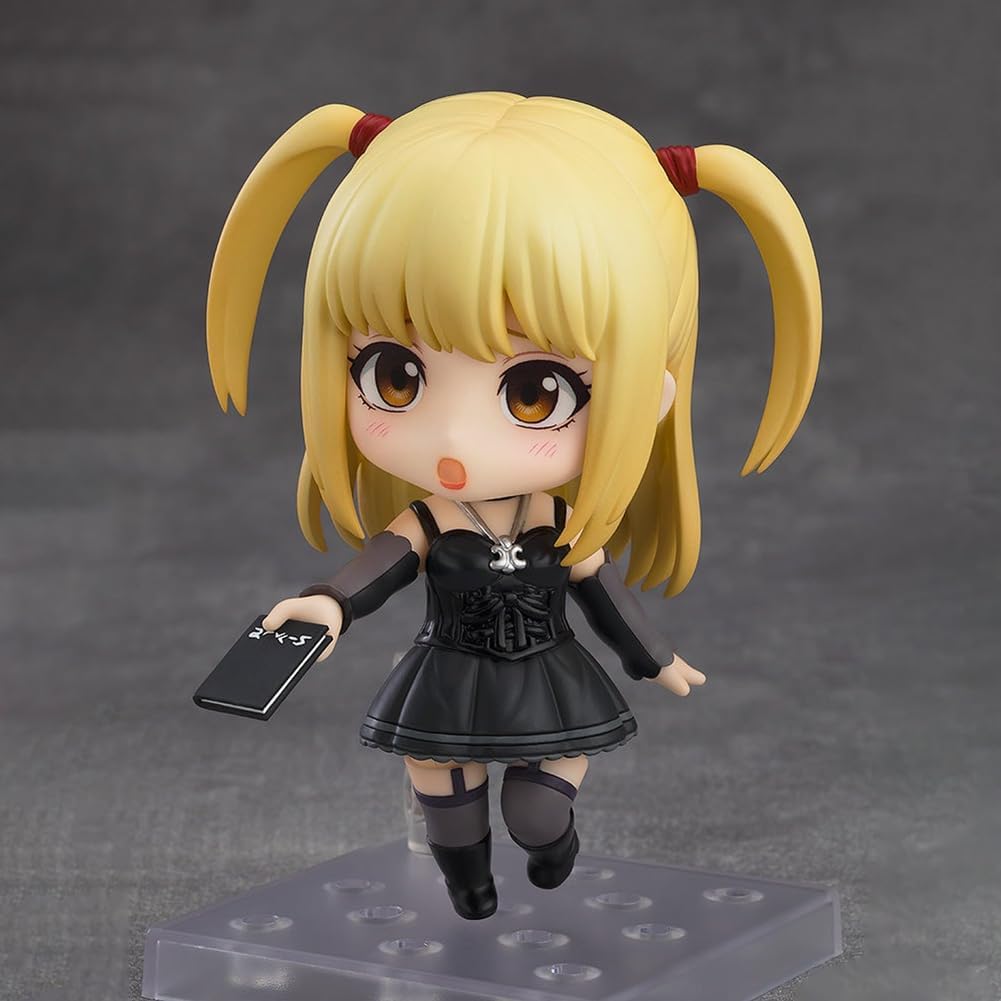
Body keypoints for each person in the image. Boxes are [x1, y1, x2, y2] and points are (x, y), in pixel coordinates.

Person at [206, 92, 821, 920]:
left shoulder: (555, 524)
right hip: (447, 672)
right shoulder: (431, 521)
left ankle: (551, 843)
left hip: (545, 677)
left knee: (535, 809)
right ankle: (467, 882)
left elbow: (603, 595)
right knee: (443, 796)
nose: (453, 438)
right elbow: (375, 570)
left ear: (649, 395)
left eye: (534, 392)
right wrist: (326, 607)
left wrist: (656, 658)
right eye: (395, 376)